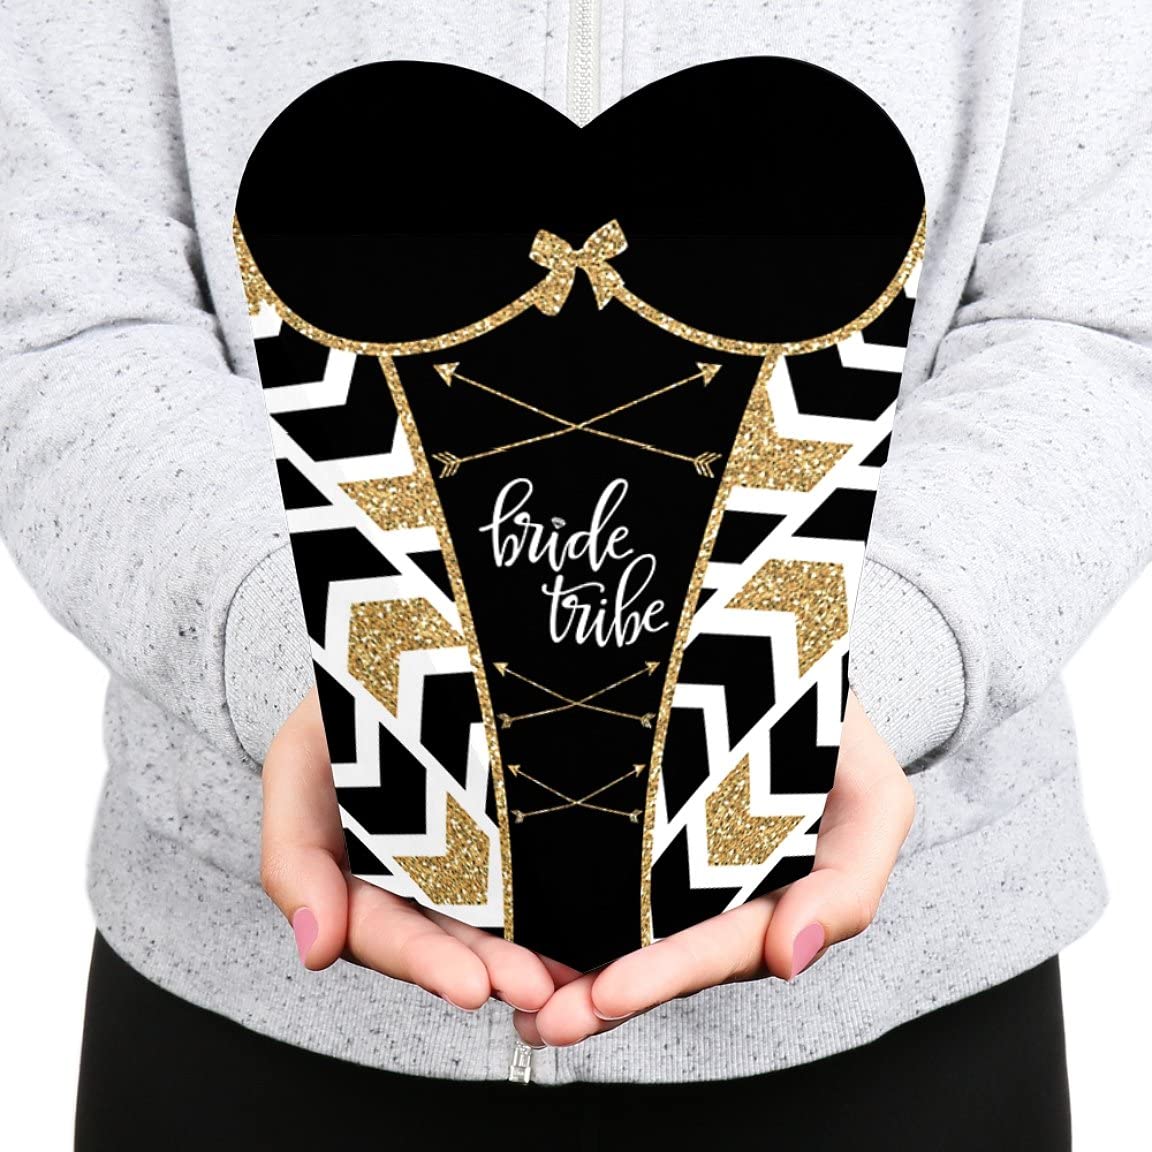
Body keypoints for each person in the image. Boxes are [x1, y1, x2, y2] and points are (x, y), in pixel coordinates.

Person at [0, 1, 1148, 1148]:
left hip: (905, 998)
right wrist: (323, 660)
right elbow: (62, 314)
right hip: (249, 1001)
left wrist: (836, 681)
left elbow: (1097, 318)